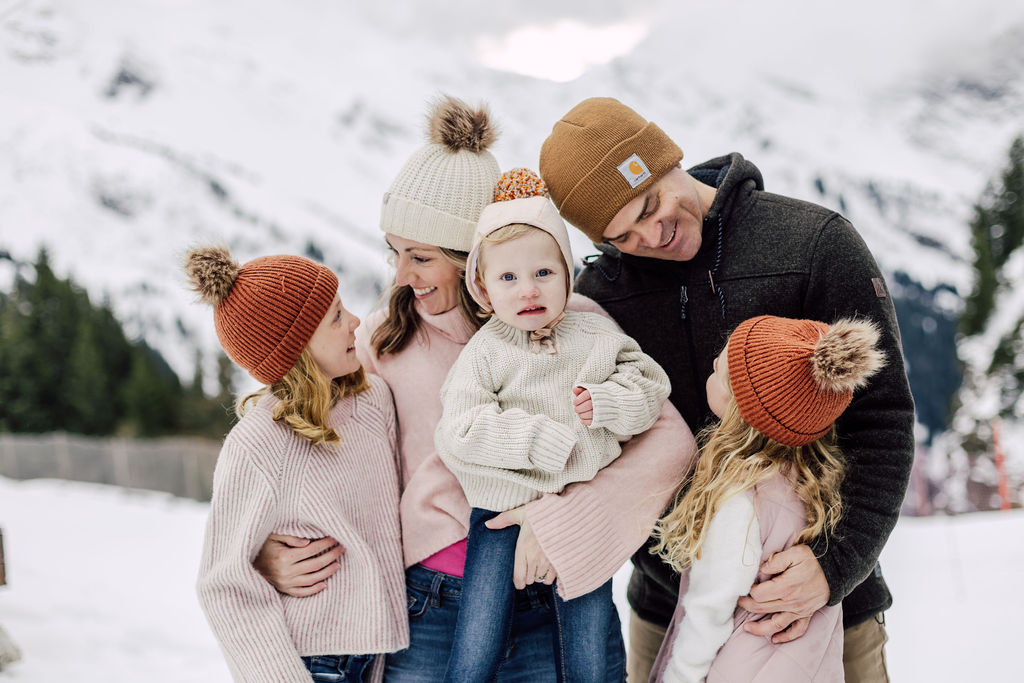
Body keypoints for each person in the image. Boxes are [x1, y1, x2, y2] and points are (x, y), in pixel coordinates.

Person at [252, 96, 696, 681]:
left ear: (471, 263)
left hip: (559, 596)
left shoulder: (576, 324)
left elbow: (670, 445)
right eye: (395, 254)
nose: (401, 276)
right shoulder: (386, 341)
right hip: (433, 613)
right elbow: (289, 431)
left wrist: (562, 525)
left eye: (420, 257)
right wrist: (265, 549)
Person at [538, 97, 915, 683]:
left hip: (823, 611)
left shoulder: (811, 244)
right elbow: (596, 453)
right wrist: (693, 573)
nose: (651, 233)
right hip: (668, 617)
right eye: (623, 235)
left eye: (649, 203)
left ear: (664, 159)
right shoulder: (599, 297)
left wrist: (834, 565)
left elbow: (882, 419)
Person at [436, 169, 672, 682]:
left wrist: (608, 404)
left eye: (543, 273)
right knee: (478, 642)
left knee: (587, 646)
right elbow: (459, 427)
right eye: (508, 278)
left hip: (576, 514)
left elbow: (651, 389)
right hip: (501, 511)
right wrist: (540, 439)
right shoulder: (485, 352)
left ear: (567, 273)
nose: (528, 290)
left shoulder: (595, 335)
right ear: (483, 289)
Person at [187, 246, 407, 683]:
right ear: (298, 347)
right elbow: (223, 582)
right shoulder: (258, 442)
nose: (356, 323)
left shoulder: (373, 401)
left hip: (379, 656)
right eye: (336, 317)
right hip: (311, 663)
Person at [649, 315, 885, 682]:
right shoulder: (815, 487)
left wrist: (679, 675)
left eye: (717, 371)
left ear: (739, 410)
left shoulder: (739, 501)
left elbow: (709, 611)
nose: (708, 371)